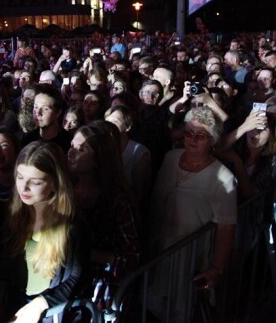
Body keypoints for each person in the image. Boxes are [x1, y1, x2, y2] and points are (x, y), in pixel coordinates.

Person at [149, 106, 237, 321]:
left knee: (181, 311)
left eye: (201, 136)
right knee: (153, 305)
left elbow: (226, 228)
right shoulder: (170, 158)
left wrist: (216, 269)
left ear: (213, 140)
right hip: (159, 247)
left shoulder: (224, 178)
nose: (192, 139)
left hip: (189, 256)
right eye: (189, 133)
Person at [0, 141, 90, 323]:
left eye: (36, 182)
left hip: (50, 313)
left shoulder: (73, 227)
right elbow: (5, 271)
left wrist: (41, 303)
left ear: (56, 183)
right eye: (20, 177)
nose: (23, 188)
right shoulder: (15, 215)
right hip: (15, 310)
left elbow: (77, 279)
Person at [67, 122, 140, 280]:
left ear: (98, 158)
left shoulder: (118, 200)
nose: (71, 152)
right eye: (72, 145)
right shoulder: (65, 190)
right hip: (65, 282)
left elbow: (132, 258)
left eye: (81, 149)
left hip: (101, 285)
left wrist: (87, 253)